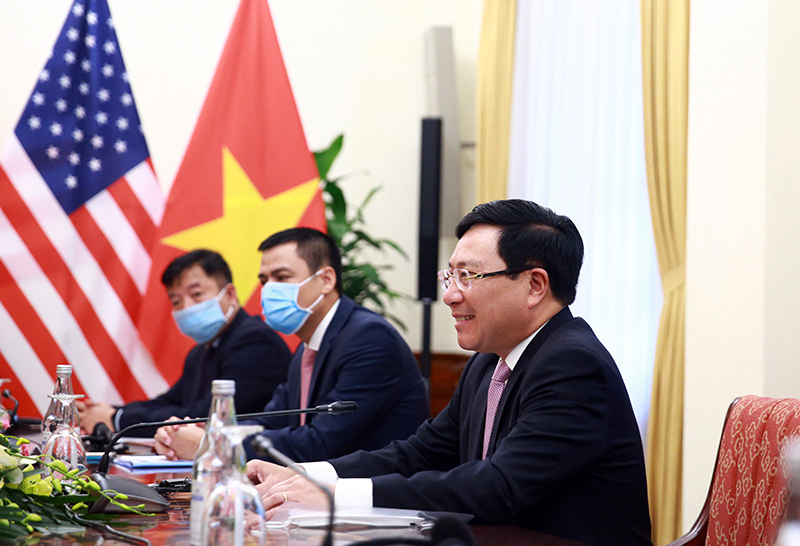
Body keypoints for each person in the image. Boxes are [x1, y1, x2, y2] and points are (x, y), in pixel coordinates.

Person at [247, 200, 652, 546]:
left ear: (534, 286)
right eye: (450, 274)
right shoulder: (487, 362)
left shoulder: (573, 365)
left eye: (468, 276)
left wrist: (334, 495)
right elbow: (420, 452)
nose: (450, 294)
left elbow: (499, 486)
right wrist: (302, 475)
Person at [154, 228, 429, 462]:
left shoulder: (369, 339)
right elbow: (270, 420)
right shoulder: (307, 347)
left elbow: (321, 442)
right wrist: (211, 431)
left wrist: (213, 445)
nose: (269, 289)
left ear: (326, 280)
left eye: (282, 277)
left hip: (379, 503)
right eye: (264, 280)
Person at [77, 249, 291, 436]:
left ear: (231, 294)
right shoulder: (201, 351)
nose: (187, 307)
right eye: (177, 301)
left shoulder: (255, 342)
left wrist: (117, 419)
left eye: (196, 294)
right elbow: (169, 402)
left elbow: (206, 414)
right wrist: (106, 412)